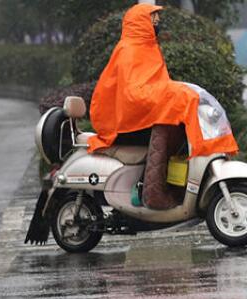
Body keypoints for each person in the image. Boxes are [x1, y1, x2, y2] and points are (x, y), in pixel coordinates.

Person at [88, 4, 238, 209]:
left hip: (141, 118)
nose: (157, 20)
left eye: (157, 16)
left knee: (176, 123)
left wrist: (173, 92)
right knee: (170, 119)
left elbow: (156, 86)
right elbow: (134, 94)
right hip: (124, 125)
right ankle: (153, 193)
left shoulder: (148, 48)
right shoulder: (129, 50)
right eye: (153, 16)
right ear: (139, 23)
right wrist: (171, 94)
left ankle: (174, 188)